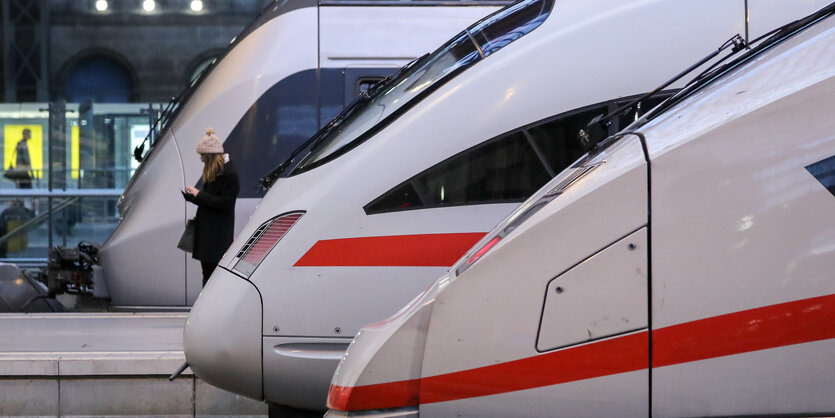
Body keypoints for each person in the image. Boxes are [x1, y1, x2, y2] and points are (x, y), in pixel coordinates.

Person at [183, 128, 240, 287]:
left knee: (212, 276)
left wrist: (199, 195)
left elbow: (225, 203)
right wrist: (193, 197)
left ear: (210, 155)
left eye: (202, 155)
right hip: (208, 234)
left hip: (217, 236)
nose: (201, 159)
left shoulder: (229, 174)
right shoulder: (216, 171)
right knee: (207, 273)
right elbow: (212, 201)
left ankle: (210, 310)